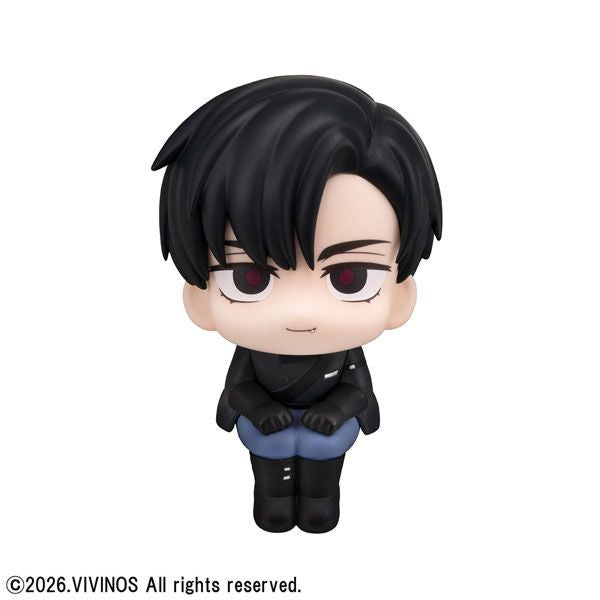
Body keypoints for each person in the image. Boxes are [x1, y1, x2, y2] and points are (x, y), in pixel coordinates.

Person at [152, 75, 442, 533]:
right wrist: (259, 408)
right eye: (250, 278)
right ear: (200, 297)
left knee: (322, 488)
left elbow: (358, 389)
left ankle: (320, 501)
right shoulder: (254, 352)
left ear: (399, 296)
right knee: (271, 485)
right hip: (267, 429)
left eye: (349, 278)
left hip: (328, 431)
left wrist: (338, 410)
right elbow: (238, 387)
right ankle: (272, 501)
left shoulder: (343, 353)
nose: (301, 312)